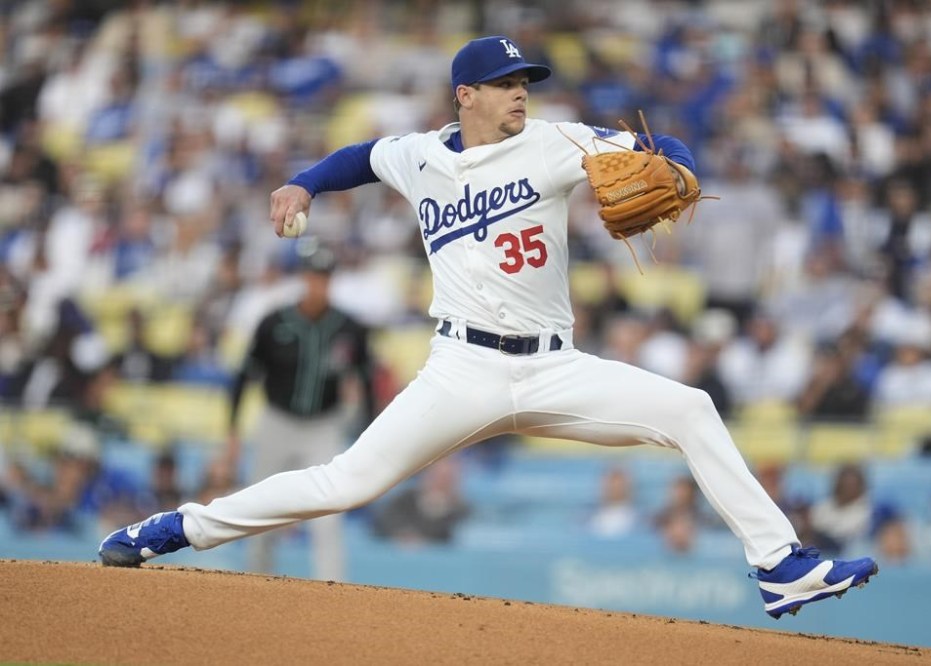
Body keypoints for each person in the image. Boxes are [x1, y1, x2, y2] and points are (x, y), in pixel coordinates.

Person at [98, 35, 877, 619]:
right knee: (347, 482)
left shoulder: (556, 141)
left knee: (690, 408)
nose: (520, 94)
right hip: (460, 370)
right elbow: (359, 157)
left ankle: (778, 565)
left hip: (555, 366)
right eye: (505, 83)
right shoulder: (418, 156)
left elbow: (655, 147)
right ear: (464, 94)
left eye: (526, 81)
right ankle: (176, 529)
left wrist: (671, 163)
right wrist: (301, 183)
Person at [223, 242, 375, 580]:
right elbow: (243, 378)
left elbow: (365, 382)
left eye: (324, 276)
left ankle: (331, 590)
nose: (318, 283)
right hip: (277, 422)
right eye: (312, 275)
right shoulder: (273, 322)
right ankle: (256, 583)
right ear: (302, 277)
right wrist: (232, 431)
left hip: (323, 425)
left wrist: (367, 436)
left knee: (327, 515)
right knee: (260, 509)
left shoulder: (349, 327)